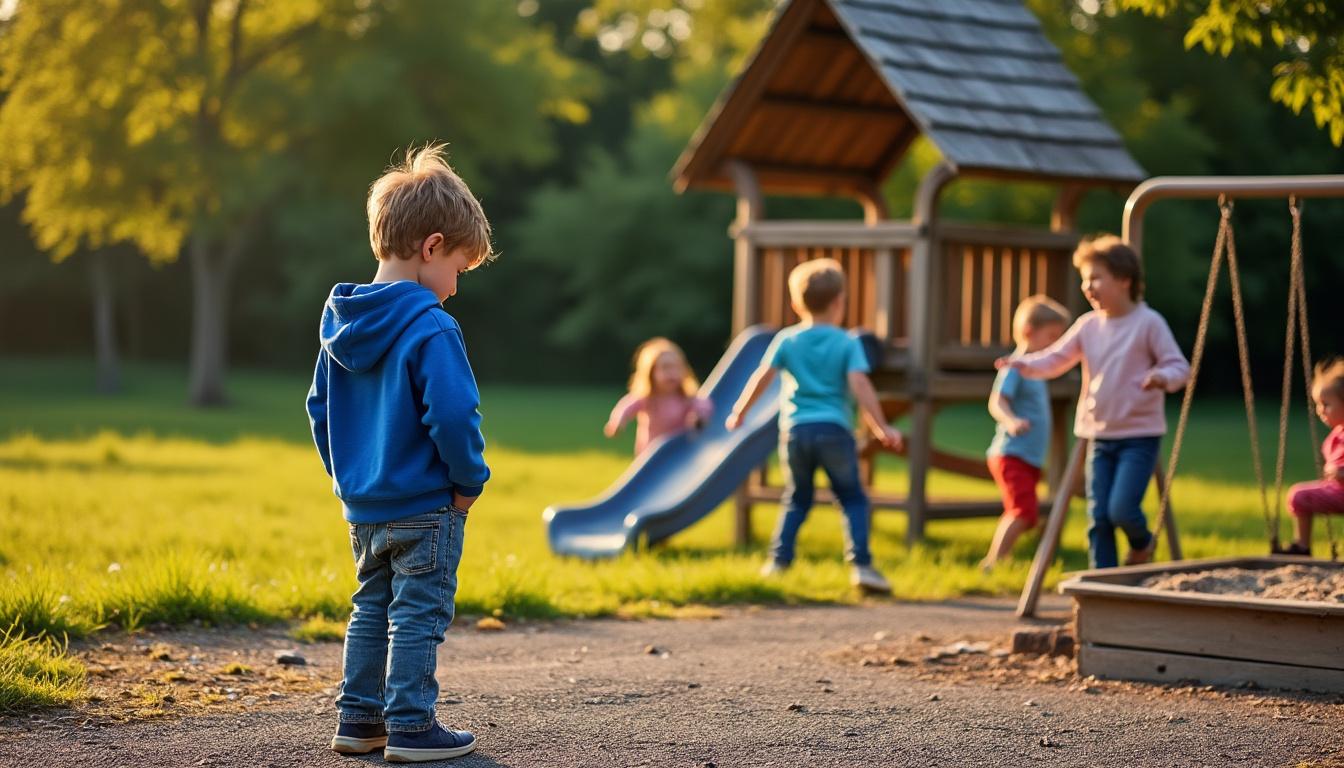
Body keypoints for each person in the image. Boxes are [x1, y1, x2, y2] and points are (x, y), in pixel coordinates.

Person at [307, 143, 491, 762]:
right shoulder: (432, 326)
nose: (455, 289)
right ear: (432, 247)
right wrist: (469, 481)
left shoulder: (340, 322)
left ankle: (359, 720)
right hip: (425, 504)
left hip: (364, 504)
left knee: (369, 608)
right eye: (460, 270)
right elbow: (454, 414)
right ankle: (411, 725)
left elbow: (318, 410)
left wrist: (349, 476)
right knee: (417, 613)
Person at [1000, 235, 1189, 569]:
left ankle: (1142, 542)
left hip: (1138, 436)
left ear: (1124, 280)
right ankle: (1102, 582)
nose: (1088, 286)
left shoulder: (1148, 323)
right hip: (1098, 436)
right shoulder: (1088, 326)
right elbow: (1055, 358)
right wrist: (1024, 364)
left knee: (1121, 509)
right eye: (1085, 279)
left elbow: (1179, 366)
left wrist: (1162, 376)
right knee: (1098, 516)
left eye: (1096, 277)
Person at [726, 258, 903, 593]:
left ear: (795, 304)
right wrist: (880, 426)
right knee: (851, 497)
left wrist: (739, 411)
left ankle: (778, 562)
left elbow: (762, 376)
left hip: (794, 432)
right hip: (834, 429)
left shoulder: (787, 340)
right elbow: (860, 385)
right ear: (839, 302)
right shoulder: (847, 342)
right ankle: (862, 565)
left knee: (797, 497)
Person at [979, 295, 1071, 571]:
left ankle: (998, 559)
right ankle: (994, 561)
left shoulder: (1035, 369)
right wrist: (1011, 421)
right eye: (1052, 336)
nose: (1056, 345)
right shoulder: (1015, 366)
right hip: (1011, 454)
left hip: (1028, 458)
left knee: (1023, 512)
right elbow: (997, 400)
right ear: (1030, 331)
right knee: (1023, 512)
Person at [605, 338, 713, 455]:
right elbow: (627, 405)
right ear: (651, 373)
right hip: (650, 454)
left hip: (679, 451)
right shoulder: (647, 398)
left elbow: (703, 404)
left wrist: (700, 416)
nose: (672, 373)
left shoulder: (685, 397)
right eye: (665, 368)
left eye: (676, 367)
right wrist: (618, 421)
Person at [1281, 358, 1344, 554]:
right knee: (1299, 496)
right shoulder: (1336, 435)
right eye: (1317, 404)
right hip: (1338, 491)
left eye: (1326, 404)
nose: (1320, 411)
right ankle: (1302, 546)